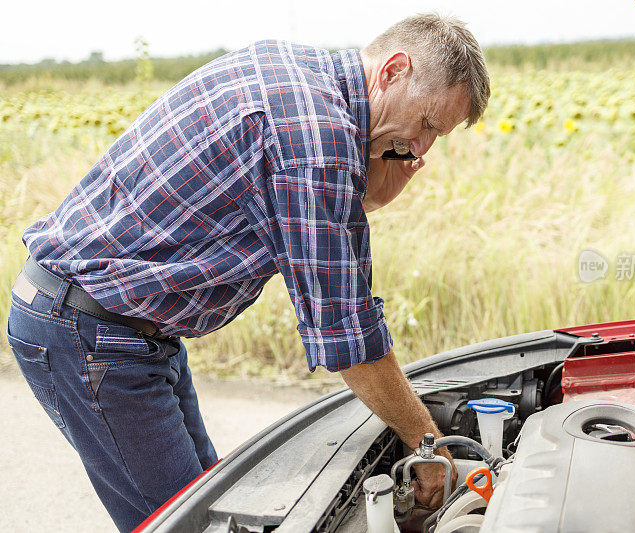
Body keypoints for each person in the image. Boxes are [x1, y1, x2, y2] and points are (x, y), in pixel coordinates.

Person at [6, 13, 490, 531]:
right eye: (428, 125)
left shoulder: (303, 75)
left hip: (121, 326)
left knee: (206, 508)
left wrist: (372, 190)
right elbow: (349, 339)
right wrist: (430, 446)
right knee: (187, 525)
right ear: (393, 70)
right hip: (89, 330)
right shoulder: (317, 143)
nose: (422, 148)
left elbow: (298, 223)